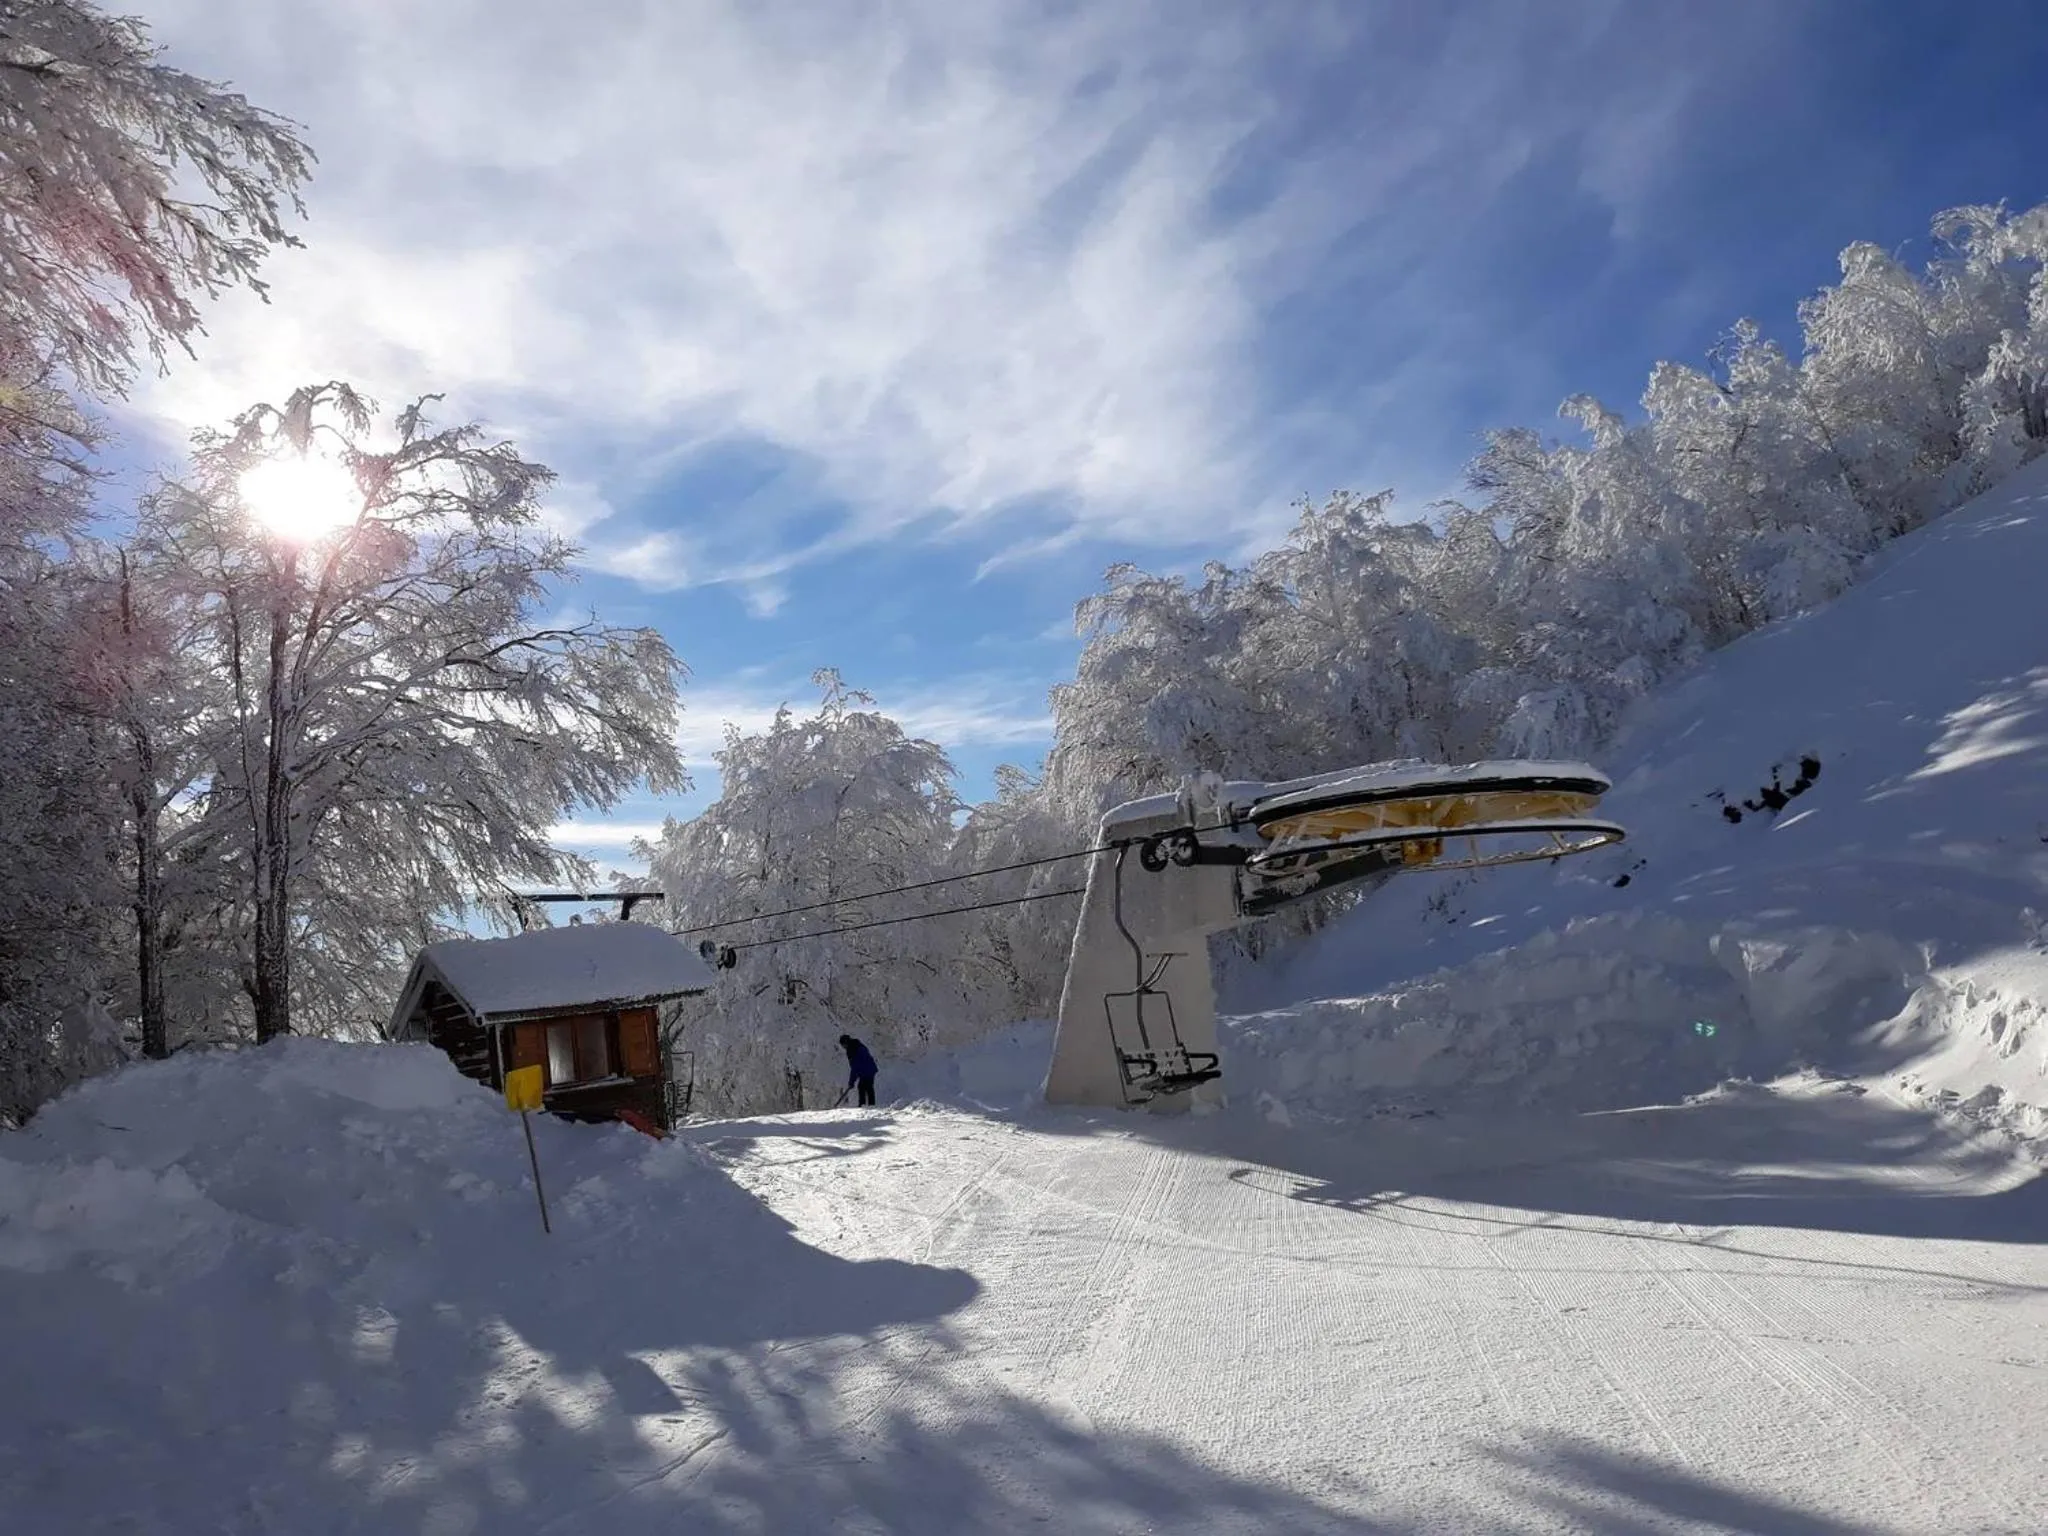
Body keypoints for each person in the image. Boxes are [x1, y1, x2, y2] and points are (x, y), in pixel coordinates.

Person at [839, 1033, 878, 1106]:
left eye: (843, 1045)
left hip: (866, 1070)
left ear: (845, 1043)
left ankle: (863, 1105)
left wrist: (851, 1082)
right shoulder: (858, 1045)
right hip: (870, 1069)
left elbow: (855, 1068)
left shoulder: (852, 1050)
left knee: (862, 1087)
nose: (843, 1047)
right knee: (868, 1087)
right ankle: (870, 1105)